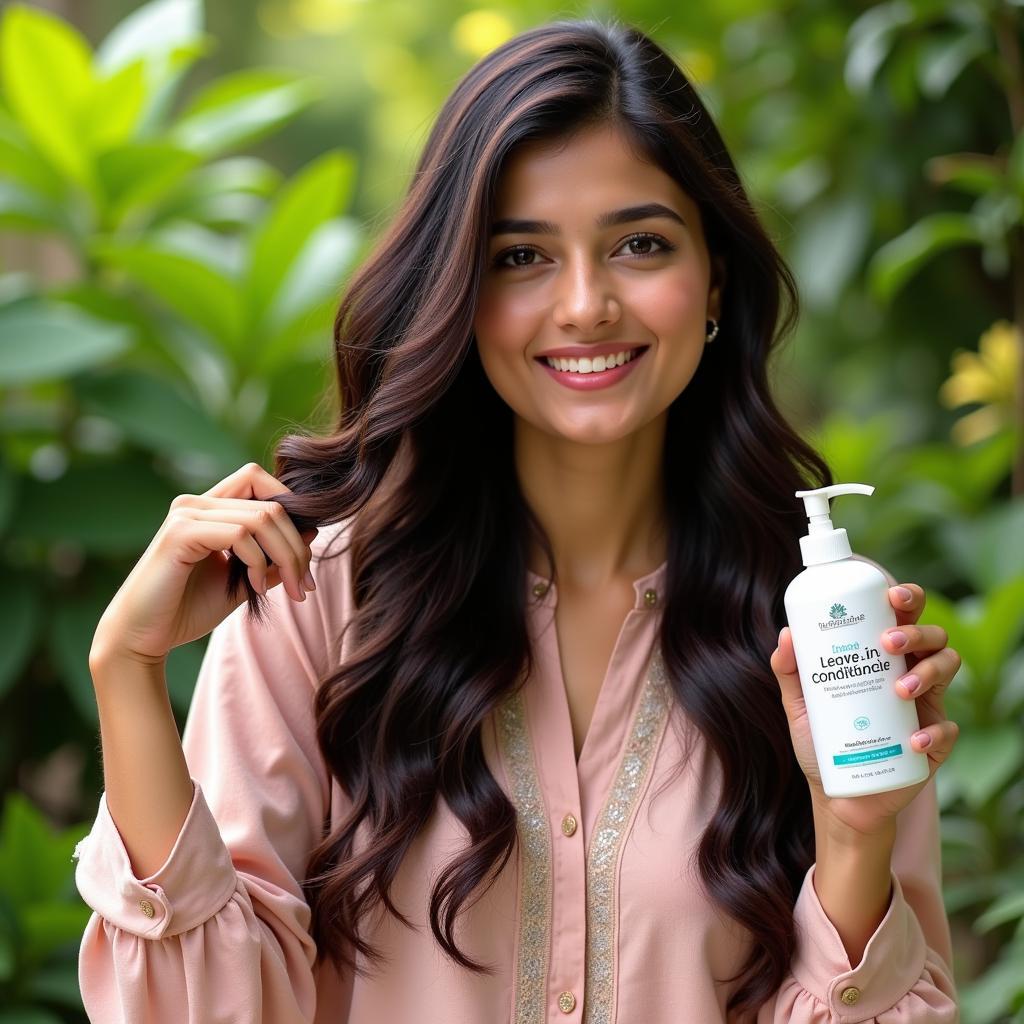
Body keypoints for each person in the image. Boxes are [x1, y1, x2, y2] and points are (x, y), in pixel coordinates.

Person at [74, 16, 961, 1023]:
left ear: (713, 275)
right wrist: (127, 669)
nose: (584, 305)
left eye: (639, 243)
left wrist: (853, 837)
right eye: (520, 257)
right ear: (456, 286)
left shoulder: (826, 637)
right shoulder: (319, 599)